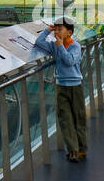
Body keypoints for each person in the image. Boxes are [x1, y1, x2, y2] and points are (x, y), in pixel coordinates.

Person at [34, 18, 86, 161]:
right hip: (61, 85)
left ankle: (82, 147)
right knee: (65, 118)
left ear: (69, 32)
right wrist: (47, 30)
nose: (57, 32)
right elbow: (39, 42)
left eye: (60, 29)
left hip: (75, 86)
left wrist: (60, 46)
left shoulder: (75, 46)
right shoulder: (54, 45)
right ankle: (73, 150)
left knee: (78, 117)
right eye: (55, 29)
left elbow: (69, 61)